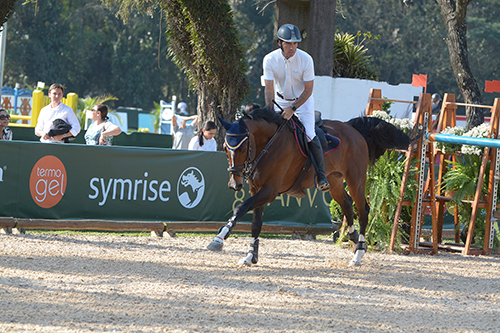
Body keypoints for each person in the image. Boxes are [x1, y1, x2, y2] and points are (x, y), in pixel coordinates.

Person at [262, 23, 329, 191]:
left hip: (303, 102)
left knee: (309, 134)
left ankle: (321, 175)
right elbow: (269, 89)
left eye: (295, 43)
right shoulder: (269, 59)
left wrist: (293, 108)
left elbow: (308, 90)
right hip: (279, 101)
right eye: (288, 43)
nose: (292, 47)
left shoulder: (306, 59)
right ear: (279, 43)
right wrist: (269, 112)